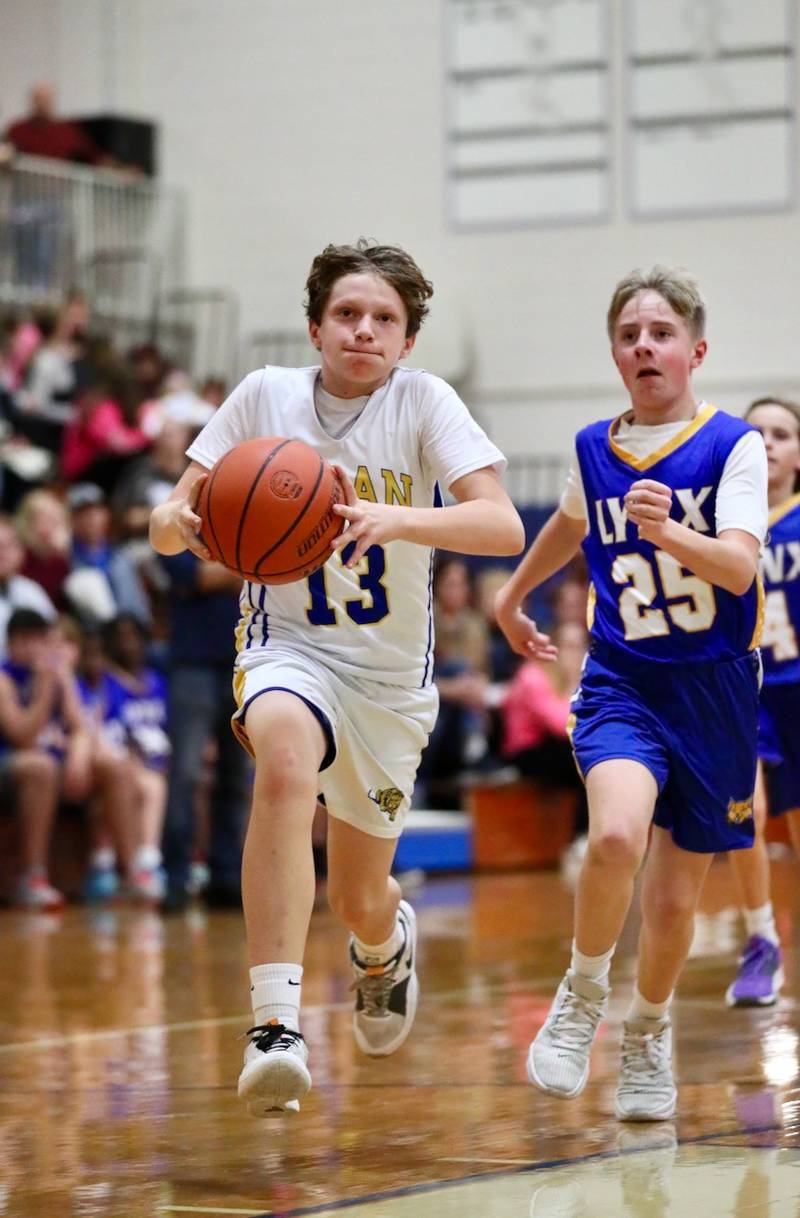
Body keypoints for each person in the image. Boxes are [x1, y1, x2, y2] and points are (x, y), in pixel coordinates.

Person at [149, 239, 524, 1115]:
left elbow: (503, 525)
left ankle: (381, 944)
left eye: (384, 319)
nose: (364, 330)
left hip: (389, 685)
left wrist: (399, 518)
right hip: (287, 648)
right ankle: (275, 1025)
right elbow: (173, 519)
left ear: (406, 340)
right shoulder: (264, 396)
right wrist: (176, 517)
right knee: (281, 762)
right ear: (316, 325)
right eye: (348, 314)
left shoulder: (425, 402)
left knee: (359, 894)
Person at [495, 266, 766, 1121]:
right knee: (614, 836)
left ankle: (648, 1033)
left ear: (695, 351)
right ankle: (581, 995)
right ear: (615, 354)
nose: (643, 346)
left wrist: (668, 529)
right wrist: (514, 592)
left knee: (677, 899)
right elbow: (571, 522)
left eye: (659, 333)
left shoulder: (733, 446)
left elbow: (738, 565)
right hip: (625, 680)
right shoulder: (589, 448)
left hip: (716, 689)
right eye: (628, 335)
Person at [724, 396, 800, 1007]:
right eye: (758, 432)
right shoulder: (723, 517)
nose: (770, 443)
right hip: (742, 684)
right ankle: (761, 940)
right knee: (745, 809)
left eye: (783, 433)